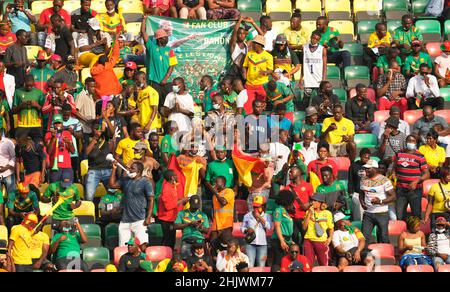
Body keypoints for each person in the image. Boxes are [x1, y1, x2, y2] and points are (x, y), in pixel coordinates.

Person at [109, 160, 153, 246]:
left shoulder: (146, 182)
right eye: (129, 168)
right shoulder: (125, 180)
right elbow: (112, 185)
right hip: (125, 220)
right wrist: (114, 169)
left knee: (142, 246)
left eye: (132, 169)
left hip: (140, 220)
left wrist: (148, 217)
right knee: (123, 247)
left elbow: (151, 200)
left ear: (139, 171)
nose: (129, 170)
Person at [393, 135, 429, 221]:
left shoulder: (420, 156)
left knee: (416, 215)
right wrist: (394, 175)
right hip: (400, 189)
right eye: (409, 140)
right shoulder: (399, 154)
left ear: (416, 143)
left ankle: (416, 234)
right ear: (406, 142)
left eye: (413, 141)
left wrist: (416, 181)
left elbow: (427, 174)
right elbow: (394, 169)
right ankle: (402, 233)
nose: (410, 142)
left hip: (415, 190)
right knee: (400, 215)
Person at [359, 159, 396, 243]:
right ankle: (364, 255)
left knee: (383, 237)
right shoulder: (363, 180)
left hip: (381, 213)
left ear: (375, 169)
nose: (366, 170)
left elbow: (393, 196)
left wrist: (380, 201)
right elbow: (361, 194)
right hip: (368, 214)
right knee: (364, 237)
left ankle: (385, 254)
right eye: (365, 168)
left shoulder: (384, 180)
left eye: (368, 168)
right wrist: (362, 203)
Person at [141, 24, 178, 104]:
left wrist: (165, 78)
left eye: (167, 37)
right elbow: (143, 32)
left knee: (169, 104)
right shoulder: (152, 48)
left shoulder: (170, 50)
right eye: (165, 37)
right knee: (156, 103)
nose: (167, 39)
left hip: (167, 82)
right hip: (155, 82)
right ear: (159, 39)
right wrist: (144, 20)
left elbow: (172, 65)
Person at [157, 170, 189, 249]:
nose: (177, 177)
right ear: (172, 177)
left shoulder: (172, 187)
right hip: (166, 220)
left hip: (171, 218)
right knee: (168, 242)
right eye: (175, 175)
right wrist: (182, 201)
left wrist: (182, 200)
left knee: (171, 241)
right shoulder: (167, 189)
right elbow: (168, 206)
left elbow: (173, 201)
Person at [302, 192, 334, 267]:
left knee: (324, 264)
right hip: (308, 240)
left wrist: (330, 238)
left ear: (320, 203)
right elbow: (304, 227)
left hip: (321, 241)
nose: (312, 202)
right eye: (312, 200)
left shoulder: (327, 213)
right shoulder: (308, 212)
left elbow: (331, 228)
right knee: (307, 265)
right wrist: (309, 214)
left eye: (315, 201)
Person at [174, 195, 210, 260]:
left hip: (199, 239)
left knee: (201, 260)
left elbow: (207, 230)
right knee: (186, 258)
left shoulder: (203, 215)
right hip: (187, 239)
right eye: (193, 206)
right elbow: (176, 226)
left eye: (196, 207)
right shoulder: (182, 213)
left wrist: (200, 226)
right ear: (189, 203)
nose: (195, 208)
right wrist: (188, 224)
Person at [240, 195, 271, 268]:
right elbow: (242, 228)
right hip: (250, 244)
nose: (255, 208)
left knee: (261, 265)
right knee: (250, 265)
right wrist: (247, 230)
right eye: (254, 207)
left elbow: (269, 227)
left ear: (263, 206)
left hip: (262, 244)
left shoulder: (267, 216)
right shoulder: (247, 216)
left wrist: (260, 217)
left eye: (258, 207)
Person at [129, 72, 161, 138]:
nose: (136, 82)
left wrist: (149, 124)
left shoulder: (151, 91)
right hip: (142, 125)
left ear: (143, 79)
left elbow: (155, 109)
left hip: (150, 126)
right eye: (135, 80)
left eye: (138, 80)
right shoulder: (140, 92)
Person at [242, 35, 273, 103]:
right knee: (249, 104)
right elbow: (245, 66)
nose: (252, 45)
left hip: (262, 85)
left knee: (261, 105)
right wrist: (244, 75)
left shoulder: (268, 56)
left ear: (260, 45)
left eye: (254, 43)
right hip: (250, 84)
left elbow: (270, 70)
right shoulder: (249, 54)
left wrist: (265, 72)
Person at [44, 114, 75, 183]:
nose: (57, 125)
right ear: (53, 124)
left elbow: (73, 151)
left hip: (67, 166)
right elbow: (48, 151)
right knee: (55, 189)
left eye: (59, 123)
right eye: (56, 123)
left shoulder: (67, 133)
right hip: (55, 167)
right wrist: (53, 138)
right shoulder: (48, 134)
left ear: (62, 124)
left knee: (67, 189)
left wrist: (69, 143)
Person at [300, 30, 327, 109]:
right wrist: (301, 78)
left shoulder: (322, 49)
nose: (314, 40)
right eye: (313, 38)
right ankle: (305, 116)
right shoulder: (304, 48)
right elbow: (303, 64)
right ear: (311, 37)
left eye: (316, 39)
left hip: (318, 78)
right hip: (308, 78)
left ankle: (319, 117)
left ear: (319, 40)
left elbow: (324, 65)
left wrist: (324, 79)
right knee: (305, 100)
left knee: (320, 100)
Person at [270, 190, 295, 272]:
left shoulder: (285, 211)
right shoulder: (278, 210)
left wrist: (290, 241)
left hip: (286, 240)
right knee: (278, 262)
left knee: (286, 263)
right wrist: (282, 241)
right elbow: (277, 226)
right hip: (278, 240)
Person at [210, 176, 234, 244]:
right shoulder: (214, 196)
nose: (215, 185)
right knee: (213, 244)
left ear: (223, 183)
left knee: (228, 244)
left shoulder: (229, 191)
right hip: (216, 225)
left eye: (217, 183)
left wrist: (215, 193)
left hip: (226, 224)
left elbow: (223, 202)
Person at [349, 148, 371, 221]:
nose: (366, 159)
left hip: (368, 194)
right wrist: (351, 193)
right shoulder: (353, 166)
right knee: (358, 217)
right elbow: (350, 180)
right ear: (360, 156)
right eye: (365, 157)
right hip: (357, 194)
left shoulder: (370, 167)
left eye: (368, 158)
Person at [228, 17, 248, 82]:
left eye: (243, 34)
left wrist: (252, 22)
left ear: (245, 35)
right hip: (235, 72)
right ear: (237, 35)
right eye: (239, 34)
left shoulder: (247, 45)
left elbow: (261, 35)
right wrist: (240, 20)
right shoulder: (233, 45)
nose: (241, 35)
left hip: (244, 72)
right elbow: (235, 31)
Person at [0, 129, 16, 194]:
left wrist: (5, 168)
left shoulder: (8, 142)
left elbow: (14, 157)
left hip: (8, 173)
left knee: (11, 195)